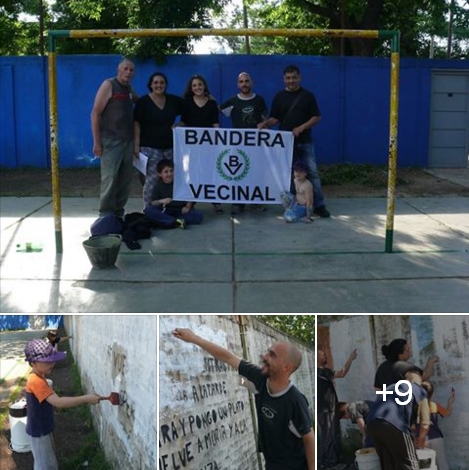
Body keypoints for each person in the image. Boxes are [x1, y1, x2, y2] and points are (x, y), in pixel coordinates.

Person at [172, 327, 315, 470]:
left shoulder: (295, 400)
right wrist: (194, 338)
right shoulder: (260, 378)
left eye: (272, 355)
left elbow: (309, 439)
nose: (265, 357)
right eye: (268, 352)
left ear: (286, 367)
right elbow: (229, 358)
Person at [259, 65, 330, 218]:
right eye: (288, 78)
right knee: (288, 174)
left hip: (305, 141)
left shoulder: (308, 96)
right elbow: (275, 118)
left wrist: (302, 127)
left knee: (312, 173)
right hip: (285, 144)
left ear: (299, 77)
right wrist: (264, 124)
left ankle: (319, 205)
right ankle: (294, 203)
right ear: (284, 79)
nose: (291, 80)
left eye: (294, 77)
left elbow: (317, 117)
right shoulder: (279, 96)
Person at [24, 339, 100, 469]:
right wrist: (86, 398)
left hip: (43, 427)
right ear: (33, 363)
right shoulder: (36, 381)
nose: (52, 363)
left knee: (48, 461)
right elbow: (58, 402)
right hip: (40, 431)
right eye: (47, 360)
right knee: (45, 465)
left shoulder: (39, 376)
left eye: (52, 359)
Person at [91, 58, 138, 218]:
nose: (128, 72)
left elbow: (143, 102)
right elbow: (95, 114)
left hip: (128, 141)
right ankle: (105, 215)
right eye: (125, 69)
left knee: (124, 181)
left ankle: (118, 213)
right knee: (109, 180)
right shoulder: (109, 85)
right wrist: (97, 143)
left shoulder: (129, 89)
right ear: (119, 70)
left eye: (131, 70)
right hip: (111, 141)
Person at [219, 71, 268, 214]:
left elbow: (266, 119)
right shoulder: (232, 102)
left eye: (247, 81)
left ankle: (255, 201)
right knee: (238, 172)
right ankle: (237, 202)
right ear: (237, 84)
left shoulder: (259, 100)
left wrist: (264, 125)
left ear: (251, 83)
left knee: (256, 171)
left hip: (257, 144)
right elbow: (213, 111)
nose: (244, 84)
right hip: (238, 144)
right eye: (241, 82)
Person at [133, 72, 184, 208]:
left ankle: (173, 206)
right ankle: (148, 209)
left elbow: (190, 108)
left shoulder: (173, 100)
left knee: (173, 177)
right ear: (151, 85)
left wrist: (181, 124)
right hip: (149, 147)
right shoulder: (143, 102)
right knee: (152, 179)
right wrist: (136, 146)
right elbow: (136, 124)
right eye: (155, 82)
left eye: (162, 82)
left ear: (166, 85)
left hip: (170, 146)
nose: (159, 85)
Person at [366, 369, 430, 470]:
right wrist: (421, 439)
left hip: (371, 423)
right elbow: (425, 424)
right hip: (393, 423)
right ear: (420, 381)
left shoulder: (391, 387)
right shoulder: (418, 390)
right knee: (410, 465)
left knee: (388, 464)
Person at [180, 74, 223, 214]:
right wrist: (176, 127)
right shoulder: (186, 102)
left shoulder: (211, 103)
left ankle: (215, 200)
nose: (197, 87)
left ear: (204, 86)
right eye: (194, 85)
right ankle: (191, 201)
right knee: (192, 172)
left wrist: (218, 141)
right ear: (191, 88)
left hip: (208, 145)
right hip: (192, 146)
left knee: (211, 171)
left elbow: (215, 124)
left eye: (200, 84)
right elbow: (184, 121)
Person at [317, 348, 358, 470]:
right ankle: (331, 463)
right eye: (322, 354)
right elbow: (342, 373)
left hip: (324, 408)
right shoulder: (322, 371)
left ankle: (325, 461)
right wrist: (351, 358)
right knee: (329, 436)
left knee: (326, 436)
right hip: (326, 409)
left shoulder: (320, 373)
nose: (325, 356)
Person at [143, 159, 203, 229]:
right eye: (166, 172)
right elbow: (153, 203)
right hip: (165, 210)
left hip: (180, 210)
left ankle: (168, 221)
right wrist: (161, 201)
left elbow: (190, 196)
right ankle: (175, 221)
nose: (169, 174)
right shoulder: (158, 185)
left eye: (171, 171)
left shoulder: (180, 182)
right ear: (160, 174)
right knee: (148, 210)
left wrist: (187, 207)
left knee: (198, 216)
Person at [374, 338, 439, 391]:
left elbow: (377, 389)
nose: (410, 352)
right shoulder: (403, 366)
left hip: (386, 404)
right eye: (407, 350)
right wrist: (431, 361)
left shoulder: (381, 367)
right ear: (400, 354)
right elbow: (425, 377)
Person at [419, 381, 455, 470]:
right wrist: (450, 401)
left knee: (426, 467)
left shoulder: (416, 407)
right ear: (432, 394)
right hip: (437, 438)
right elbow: (447, 413)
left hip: (423, 439)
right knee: (442, 464)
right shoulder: (435, 405)